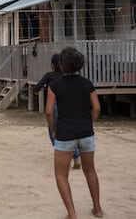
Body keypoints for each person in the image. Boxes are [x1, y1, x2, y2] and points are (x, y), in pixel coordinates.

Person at [46, 47, 103, 219]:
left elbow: (49, 112)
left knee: (61, 175)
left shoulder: (55, 85)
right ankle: (98, 209)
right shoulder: (87, 83)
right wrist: (89, 123)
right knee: (90, 171)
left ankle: (72, 213)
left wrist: (53, 129)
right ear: (80, 65)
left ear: (61, 65)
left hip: (65, 134)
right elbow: (97, 107)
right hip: (86, 133)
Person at [35, 54, 81, 169]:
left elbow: (37, 87)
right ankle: (76, 157)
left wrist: (42, 89)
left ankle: (64, 156)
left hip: (55, 106)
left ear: (52, 65)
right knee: (69, 133)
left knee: (53, 133)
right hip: (69, 106)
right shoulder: (68, 77)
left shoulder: (49, 76)